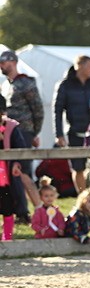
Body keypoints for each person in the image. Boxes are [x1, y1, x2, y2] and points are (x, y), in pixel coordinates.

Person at [53, 54, 90, 193]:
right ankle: (82, 196)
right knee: (78, 167)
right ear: (79, 66)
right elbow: (57, 111)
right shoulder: (65, 85)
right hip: (74, 132)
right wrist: (59, 134)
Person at [0, 49, 41, 211]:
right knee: (12, 173)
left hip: (23, 132)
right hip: (8, 132)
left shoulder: (26, 83)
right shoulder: (6, 85)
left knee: (23, 173)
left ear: (14, 62)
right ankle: (21, 209)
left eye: (5, 62)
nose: (2, 66)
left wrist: (34, 133)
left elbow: (38, 110)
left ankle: (39, 209)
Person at [0, 97, 31, 240]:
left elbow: (20, 149)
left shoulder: (10, 128)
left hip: (5, 179)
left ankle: (8, 238)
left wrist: (16, 164)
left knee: (7, 209)